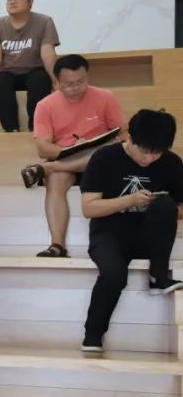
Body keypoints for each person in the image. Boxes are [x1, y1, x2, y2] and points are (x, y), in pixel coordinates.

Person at [79, 109, 183, 353]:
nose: (149, 158)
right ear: (130, 138)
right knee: (114, 273)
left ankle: (158, 276)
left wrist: (158, 206)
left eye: (157, 153)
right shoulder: (105, 157)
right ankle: (92, 336)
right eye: (144, 151)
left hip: (149, 236)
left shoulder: (171, 162)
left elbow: (180, 207)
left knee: (165, 204)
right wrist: (130, 200)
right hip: (108, 234)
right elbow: (89, 208)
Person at [20, 54, 125, 258]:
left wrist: (95, 145)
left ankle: (48, 167)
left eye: (81, 81)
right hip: (66, 158)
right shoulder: (45, 105)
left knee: (102, 153)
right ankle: (57, 245)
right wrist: (71, 149)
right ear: (57, 81)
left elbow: (123, 135)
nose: (75, 87)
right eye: (68, 84)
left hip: (100, 162)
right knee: (55, 180)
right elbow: (43, 148)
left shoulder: (106, 97)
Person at [0, 0, 60, 132]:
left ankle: (36, 129)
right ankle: (11, 130)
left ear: (30, 1)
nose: (12, 1)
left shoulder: (44, 21)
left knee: (41, 80)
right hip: (8, 73)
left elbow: (47, 53)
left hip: (34, 70)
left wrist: (56, 81)